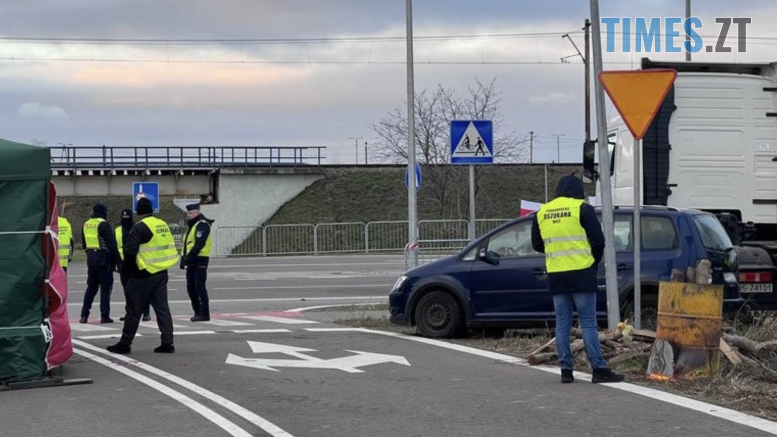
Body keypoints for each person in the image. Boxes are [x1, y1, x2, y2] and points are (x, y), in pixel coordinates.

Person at [531, 175, 624, 384]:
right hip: (582, 272)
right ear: (578, 191)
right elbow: (599, 241)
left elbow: (537, 244)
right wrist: (592, 262)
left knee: (562, 324)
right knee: (588, 323)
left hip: (556, 274)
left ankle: (566, 370)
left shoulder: (542, 212)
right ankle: (599, 369)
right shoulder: (582, 208)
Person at [107, 197, 178, 355]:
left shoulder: (140, 227)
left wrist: (129, 271)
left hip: (143, 274)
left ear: (138, 212)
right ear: (151, 210)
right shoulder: (162, 224)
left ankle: (125, 343)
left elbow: (130, 252)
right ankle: (168, 343)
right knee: (162, 309)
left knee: (133, 310)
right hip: (161, 272)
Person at [79, 204, 120, 324]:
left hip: (91, 259)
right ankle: (104, 316)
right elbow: (112, 245)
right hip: (104, 259)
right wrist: (118, 262)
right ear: (103, 213)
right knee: (105, 288)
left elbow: (84, 244)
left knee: (91, 288)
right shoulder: (104, 224)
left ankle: (84, 315)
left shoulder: (86, 224)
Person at [116, 208, 151, 322]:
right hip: (123, 265)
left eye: (127, 217)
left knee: (142, 290)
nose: (125, 219)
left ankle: (146, 312)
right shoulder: (117, 231)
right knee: (128, 291)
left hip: (137, 264)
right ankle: (130, 313)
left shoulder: (138, 228)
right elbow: (115, 248)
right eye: (123, 217)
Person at [182, 203, 215, 322]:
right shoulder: (192, 225)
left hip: (200, 259)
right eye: (187, 213)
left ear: (197, 212)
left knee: (199, 287)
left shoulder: (202, 225)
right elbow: (188, 244)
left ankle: (204, 313)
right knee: (191, 288)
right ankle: (197, 312)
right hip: (191, 259)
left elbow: (199, 244)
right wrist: (183, 258)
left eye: (190, 213)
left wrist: (188, 257)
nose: (188, 215)